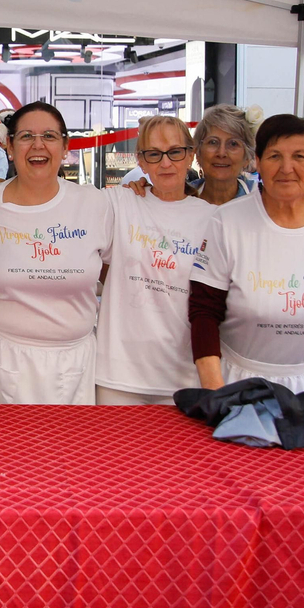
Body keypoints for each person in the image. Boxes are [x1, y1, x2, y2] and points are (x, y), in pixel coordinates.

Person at [188, 114, 304, 401]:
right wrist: (216, 393)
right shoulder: (227, 221)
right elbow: (204, 312)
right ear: (258, 162)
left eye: (299, 156)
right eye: (275, 156)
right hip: (239, 385)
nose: (286, 168)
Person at [0, 102, 113, 404]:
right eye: (26, 136)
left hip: (77, 363)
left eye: (49, 136)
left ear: (65, 147)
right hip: (3, 360)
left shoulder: (95, 204)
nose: (38, 145)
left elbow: (114, 272)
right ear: (9, 146)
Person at [95, 115, 215, 404]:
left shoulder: (212, 219)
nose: (165, 163)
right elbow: (59, 197)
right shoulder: (119, 203)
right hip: (118, 374)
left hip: (183, 375)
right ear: (141, 160)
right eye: (154, 154)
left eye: (175, 152)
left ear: (190, 155)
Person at [189, 104, 259, 205]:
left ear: (247, 157)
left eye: (233, 144)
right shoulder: (181, 198)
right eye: (213, 142)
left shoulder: (262, 200)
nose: (221, 153)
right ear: (198, 152)